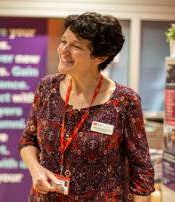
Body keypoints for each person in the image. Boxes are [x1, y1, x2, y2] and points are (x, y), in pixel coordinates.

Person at [19, 12, 155, 201]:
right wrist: (36, 169)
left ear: (100, 57)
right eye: (63, 41)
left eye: (76, 46)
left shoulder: (125, 100)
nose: (63, 50)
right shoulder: (47, 88)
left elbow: (141, 171)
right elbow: (28, 140)